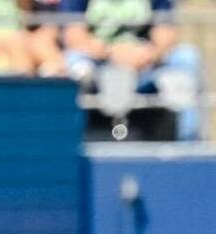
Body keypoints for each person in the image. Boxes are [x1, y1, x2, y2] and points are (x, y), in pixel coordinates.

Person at [59, 0, 201, 140]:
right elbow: (74, 36)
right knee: (73, 61)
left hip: (145, 64)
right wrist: (111, 53)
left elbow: (165, 32)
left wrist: (148, 54)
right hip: (99, 63)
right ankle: (68, 141)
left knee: (186, 57)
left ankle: (189, 143)